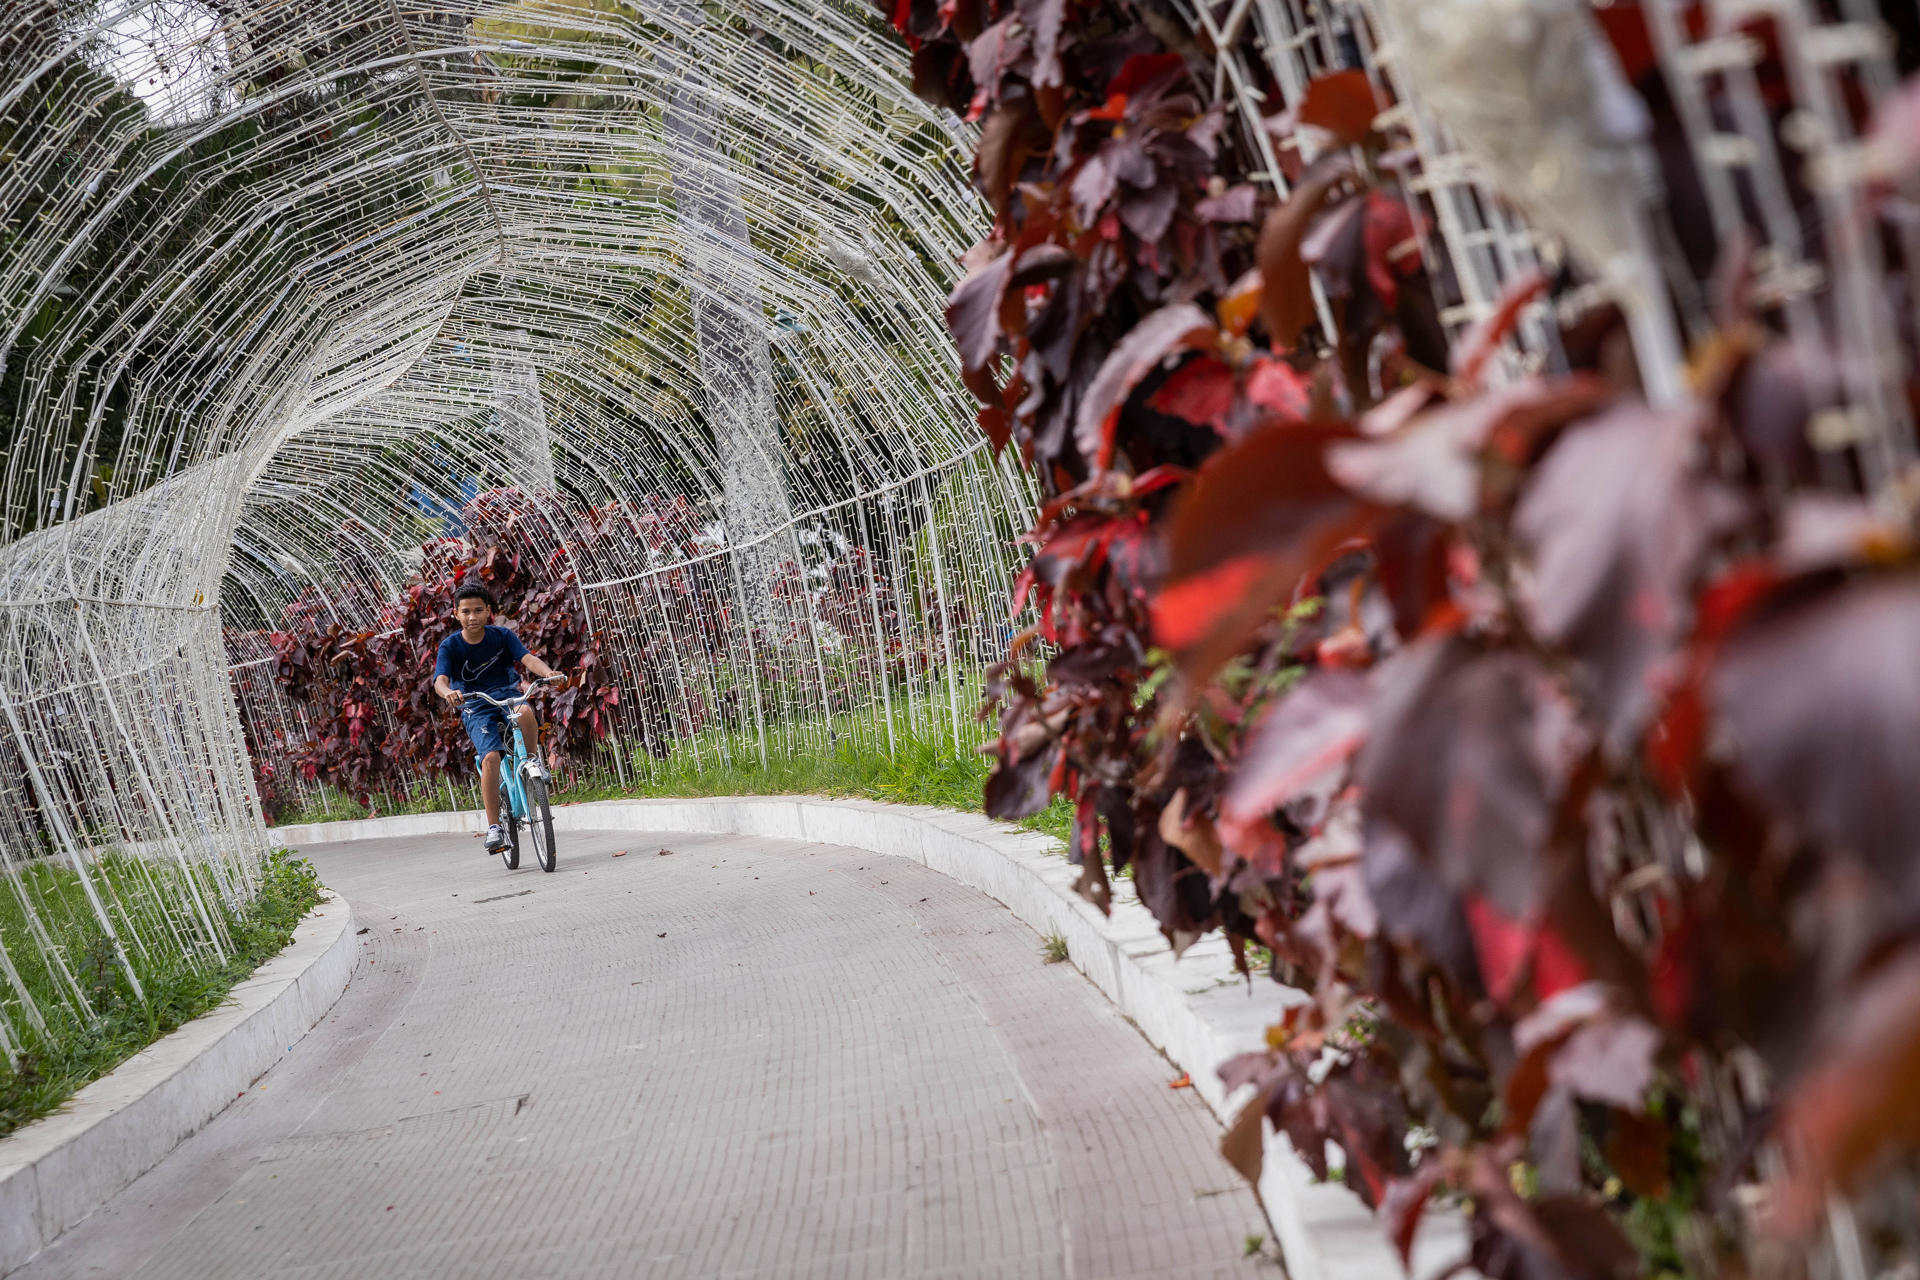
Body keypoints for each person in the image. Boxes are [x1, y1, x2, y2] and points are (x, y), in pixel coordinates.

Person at [432, 583, 565, 853]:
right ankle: (494, 827)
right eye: (466, 611)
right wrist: (449, 693)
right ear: (456, 614)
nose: (472, 617)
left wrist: (549, 673)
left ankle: (530, 761)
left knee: (525, 711)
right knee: (491, 757)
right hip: (476, 705)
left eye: (478, 610)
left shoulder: (502, 636)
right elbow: (440, 680)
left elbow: (527, 658)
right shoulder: (450, 646)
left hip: (507, 697)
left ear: (488, 611)